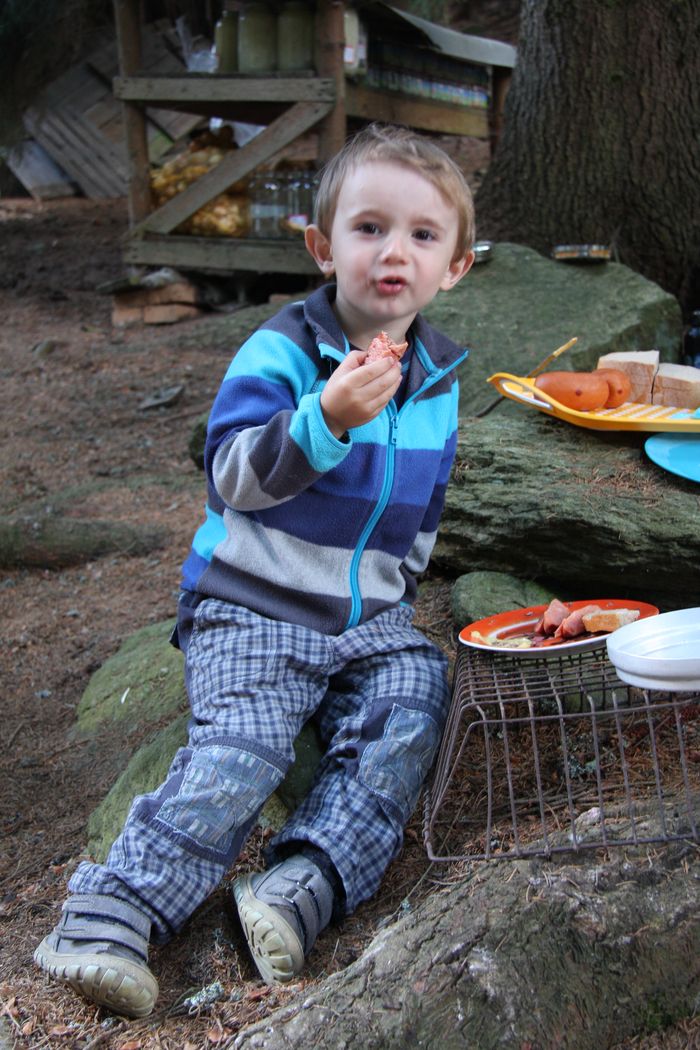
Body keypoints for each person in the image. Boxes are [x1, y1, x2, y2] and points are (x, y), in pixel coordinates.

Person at [34, 122, 475, 1018]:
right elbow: (231, 474)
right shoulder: (283, 351)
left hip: (367, 621)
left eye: (423, 235)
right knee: (249, 744)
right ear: (322, 247)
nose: (394, 252)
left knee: (415, 701)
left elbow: (425, 508)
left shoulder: (437, 378)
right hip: (254, 607)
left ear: (456, 266)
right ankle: (113, 908)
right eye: (369, 228)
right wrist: (325, 419)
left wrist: (397, 597)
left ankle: (306, 881)